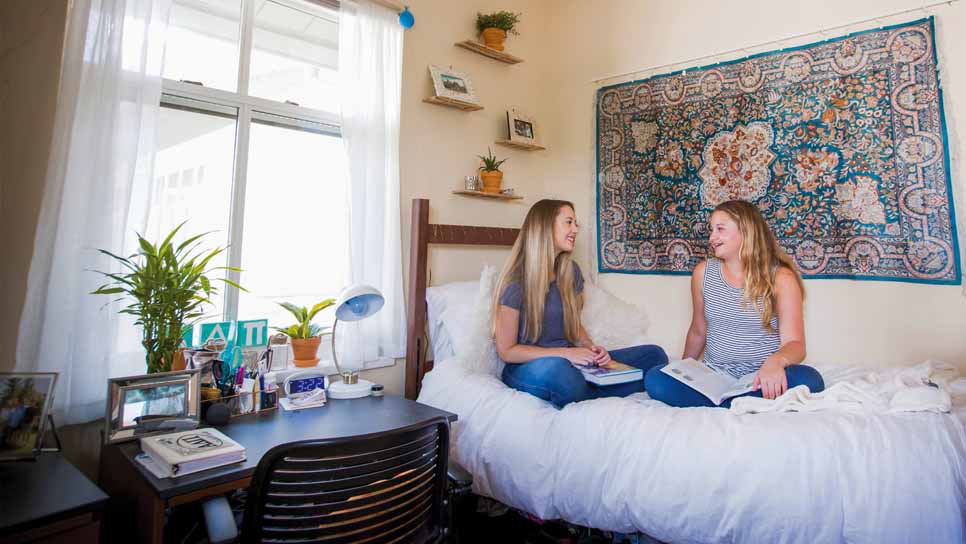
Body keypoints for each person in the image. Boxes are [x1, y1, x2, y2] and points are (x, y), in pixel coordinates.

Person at [645, 200, 825, 408]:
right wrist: (684, 371)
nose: (712, 237)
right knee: (656, 378)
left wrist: (776, 362)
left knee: (810, 379)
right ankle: (737, 402)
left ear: (746, 231)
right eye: (711, 230)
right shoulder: (703, 273)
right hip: (714, 376)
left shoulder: (781, 278)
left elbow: (795, 344)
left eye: (720, 229)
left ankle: (730, 401)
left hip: (760, 378)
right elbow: (698, 330)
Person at [493, 199, 668, 408]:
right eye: (569, 222)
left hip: (571, 365)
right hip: (531, 368)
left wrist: (590, 348)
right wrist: (567, 354)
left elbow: (574, 326)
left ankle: (589, 390)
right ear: (545, 226)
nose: (575, 229)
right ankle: (601, 388)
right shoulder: (516, 282)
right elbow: (507, 350)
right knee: (560, 371)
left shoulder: (570, 272)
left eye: (576, 224)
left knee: (654, 355)